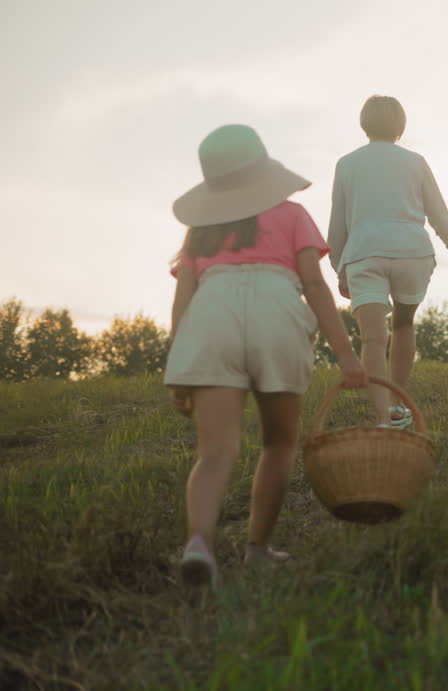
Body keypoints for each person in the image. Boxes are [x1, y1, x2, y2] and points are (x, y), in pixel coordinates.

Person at [166, 124, 366, 589]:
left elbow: (183, 299)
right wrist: (346, 355)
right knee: (278, 443)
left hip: (211, 315)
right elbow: (314, 286)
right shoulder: (292, 214)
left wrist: (181, 369)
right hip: (277, 311)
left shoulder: (200, 232)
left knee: (215, 452)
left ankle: (198, 545)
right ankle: (257, 549)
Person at [328, 95, 448, 429]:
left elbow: (337, 223)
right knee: (403, 325)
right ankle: (397, 403)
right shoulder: (415, 161)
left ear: (364, 123)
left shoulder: (346, 164)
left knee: (372, 339)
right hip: (412, 252)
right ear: (401, 125)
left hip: (364, 254)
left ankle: (384, 416)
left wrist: (339, 267)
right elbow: (439, 214)